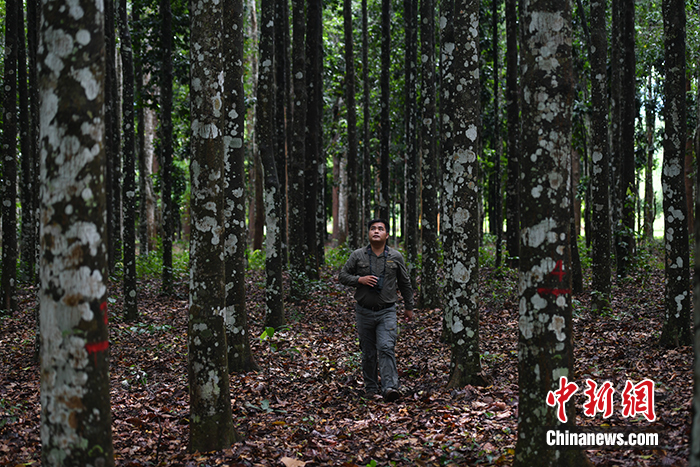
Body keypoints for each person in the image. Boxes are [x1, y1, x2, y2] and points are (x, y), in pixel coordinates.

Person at [339, 218, 414, 402]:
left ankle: (390, 388)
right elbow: (342, 275)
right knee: (368, 352)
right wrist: (360, 280)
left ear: (387, 235)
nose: (376, 231)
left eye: (381, 229)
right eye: (373, 228)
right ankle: (371, 388)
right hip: (364, 311)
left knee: (386, 347)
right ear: (369, 233)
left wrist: (409, 307)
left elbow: (405, 283)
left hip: (387, 311)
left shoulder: (395, 257)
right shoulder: (358, 255)